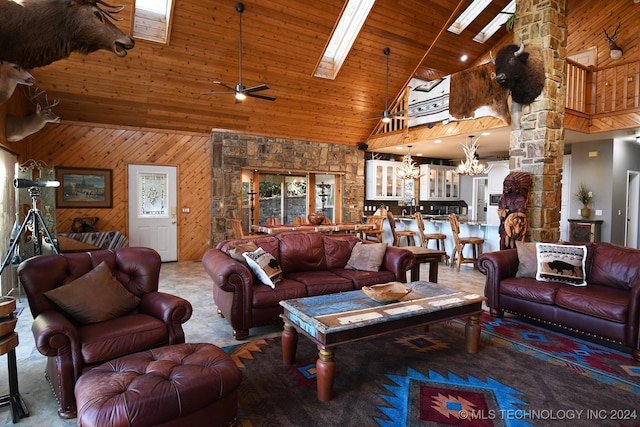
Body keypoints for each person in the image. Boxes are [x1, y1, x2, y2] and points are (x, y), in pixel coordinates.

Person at [497, 172, 531, 250]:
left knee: (514, 246)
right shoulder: (503, 198)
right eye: (505, 185)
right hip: (503, 225)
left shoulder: (520, 199)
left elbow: (521, 213)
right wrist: (502, 213)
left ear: (515, 187)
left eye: (509, 186)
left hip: (515, 226)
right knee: (503, 244)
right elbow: (500, 209)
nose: (506, 187)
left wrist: (512, 216)